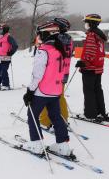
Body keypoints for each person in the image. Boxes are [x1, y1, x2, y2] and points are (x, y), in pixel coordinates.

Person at [22, 20, 72, 156]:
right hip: (55, 90)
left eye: (39, 34)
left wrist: (30, 91)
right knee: (56, 116)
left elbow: (37, 75)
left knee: (32, 115)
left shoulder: (43, 51)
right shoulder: (60, 50)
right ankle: (63, 145)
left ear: (46, 34)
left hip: (42, 91)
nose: (38, 36)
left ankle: (36, 143)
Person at [39, 18, 72, 128]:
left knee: (45, 95)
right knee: (59, 96)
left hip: (54, 72)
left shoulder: (56, 40)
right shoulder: (69, 39)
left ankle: (45, 121)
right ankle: (63, 119)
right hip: (64, 71)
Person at [75, 14, 108, 121]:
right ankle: (100, 112)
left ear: (91, 23)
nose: (85, 24)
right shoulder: (99, 34)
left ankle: (90, 114)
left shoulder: (91, 34)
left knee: (89, 91)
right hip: (98, 67)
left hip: (90, 68)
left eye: (86, 22)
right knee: (97, 90)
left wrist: (84, 62)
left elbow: (90, 50)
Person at [0, 24, 18, 90]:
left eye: (1, 29)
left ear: (5, 30)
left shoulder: (9, 37)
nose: (0, 31)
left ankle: (6, 85)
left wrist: (10, 52)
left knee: (3, 72)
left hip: (5, 58)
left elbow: (15, 46)